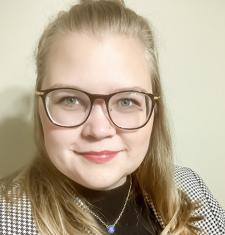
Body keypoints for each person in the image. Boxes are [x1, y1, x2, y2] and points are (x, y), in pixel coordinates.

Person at [0, 0, 224, 234]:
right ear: (41, 108)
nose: (98, 130)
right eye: (70, 100)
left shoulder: (192, 188)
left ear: (153, 112)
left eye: (126, 101)